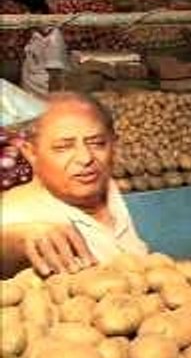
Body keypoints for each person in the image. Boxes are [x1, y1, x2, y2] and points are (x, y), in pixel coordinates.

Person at [1, 93, 148, 278]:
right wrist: (17, 241)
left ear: (113, 144)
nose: (86, 158)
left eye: (97, 144)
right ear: (31, 153)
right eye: (63, 147)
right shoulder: (16, 213)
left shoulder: (109, 188)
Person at [17, 0, 69, 98]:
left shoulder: (53, 38)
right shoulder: (33, 34)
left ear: (37, 12)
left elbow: (54, 77)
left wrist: (53, 105)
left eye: (24, 11)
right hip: (30, 97)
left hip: (43, 98)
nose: (20, 16)